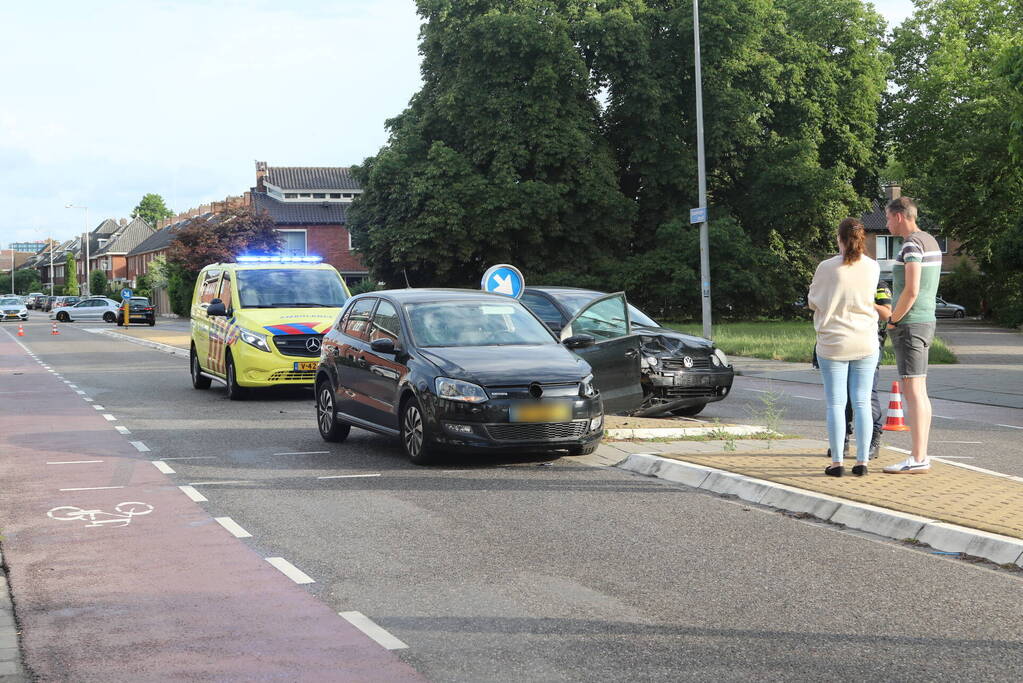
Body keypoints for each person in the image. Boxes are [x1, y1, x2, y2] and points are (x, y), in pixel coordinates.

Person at [808, 218, 880, 477]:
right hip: (865, 340)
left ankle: (837, 462)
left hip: (833, 342)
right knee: (862, 402)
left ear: (839, 238)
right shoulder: (872, 267)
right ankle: (862, 462)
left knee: (836, 404)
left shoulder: (826, 267)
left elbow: (813, 301)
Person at [882, 196, 941, 474]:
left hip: (910, 324)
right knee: (919, 390)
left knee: (913, 391)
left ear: (899, 216)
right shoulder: (930, 240)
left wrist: (893, 319)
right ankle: (920, 455)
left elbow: (912, 288)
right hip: (925, 321)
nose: (886, 224)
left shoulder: (911, 244)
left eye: (887, 218)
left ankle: (918, 458)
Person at [822, 282, 892, 461]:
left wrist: (864, 303)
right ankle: (842, 438)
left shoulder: (877, 284)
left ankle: (874, 437)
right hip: (841, 341)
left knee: (866, 394)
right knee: (841, 395)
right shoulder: (841, 280)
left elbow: (886, 314)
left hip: (867, 344)